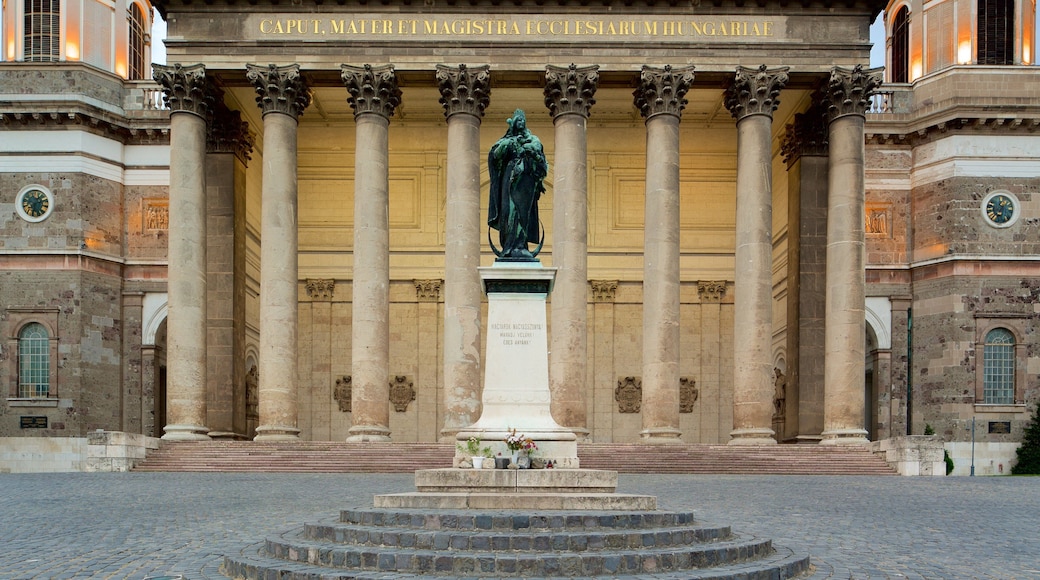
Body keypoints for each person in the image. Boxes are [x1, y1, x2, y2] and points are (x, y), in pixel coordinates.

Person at [487, 109, 548, 260]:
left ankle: (521, 245)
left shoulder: (532, 139)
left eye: (522, 121)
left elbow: (538, 152)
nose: (521, 123)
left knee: (523, 213)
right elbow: (495, 155)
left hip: (525, 182)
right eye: (518, 121)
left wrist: (528, 148)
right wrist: (509, 143)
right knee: (508, 211)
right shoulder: (506, 140)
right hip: (509, 180)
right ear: (513, 124)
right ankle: (509, 246)